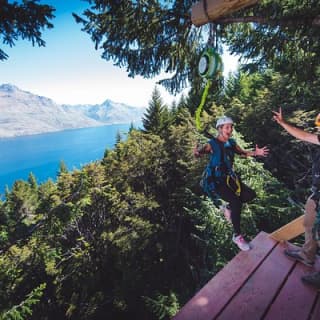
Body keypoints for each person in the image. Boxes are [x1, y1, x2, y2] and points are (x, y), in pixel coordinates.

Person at [194, 116, 269, 251]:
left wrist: (255, 153)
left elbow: (242, 153)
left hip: (230, 178)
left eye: (231, 127)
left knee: (250, 195)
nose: (230, 129)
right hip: (217, 181)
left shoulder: (232, 143)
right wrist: (197, 153)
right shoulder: (213, 143)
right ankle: (237, 236)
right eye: (227, 127)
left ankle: (228, 208)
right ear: (220, 129)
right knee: (236, 202)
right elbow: (201, 152)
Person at [273, 108, 320, 288]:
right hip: (317, 194)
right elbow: (303, 136)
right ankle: (307, 256)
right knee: (308, 223)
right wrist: (283, 123)